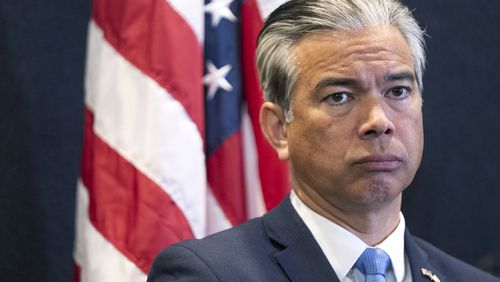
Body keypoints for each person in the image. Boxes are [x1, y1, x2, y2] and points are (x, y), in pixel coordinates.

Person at [148, 0, 500, 281]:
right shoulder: (206, 274)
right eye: (339, 97)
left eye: (398, 91)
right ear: (278, 128)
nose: (379, 121)